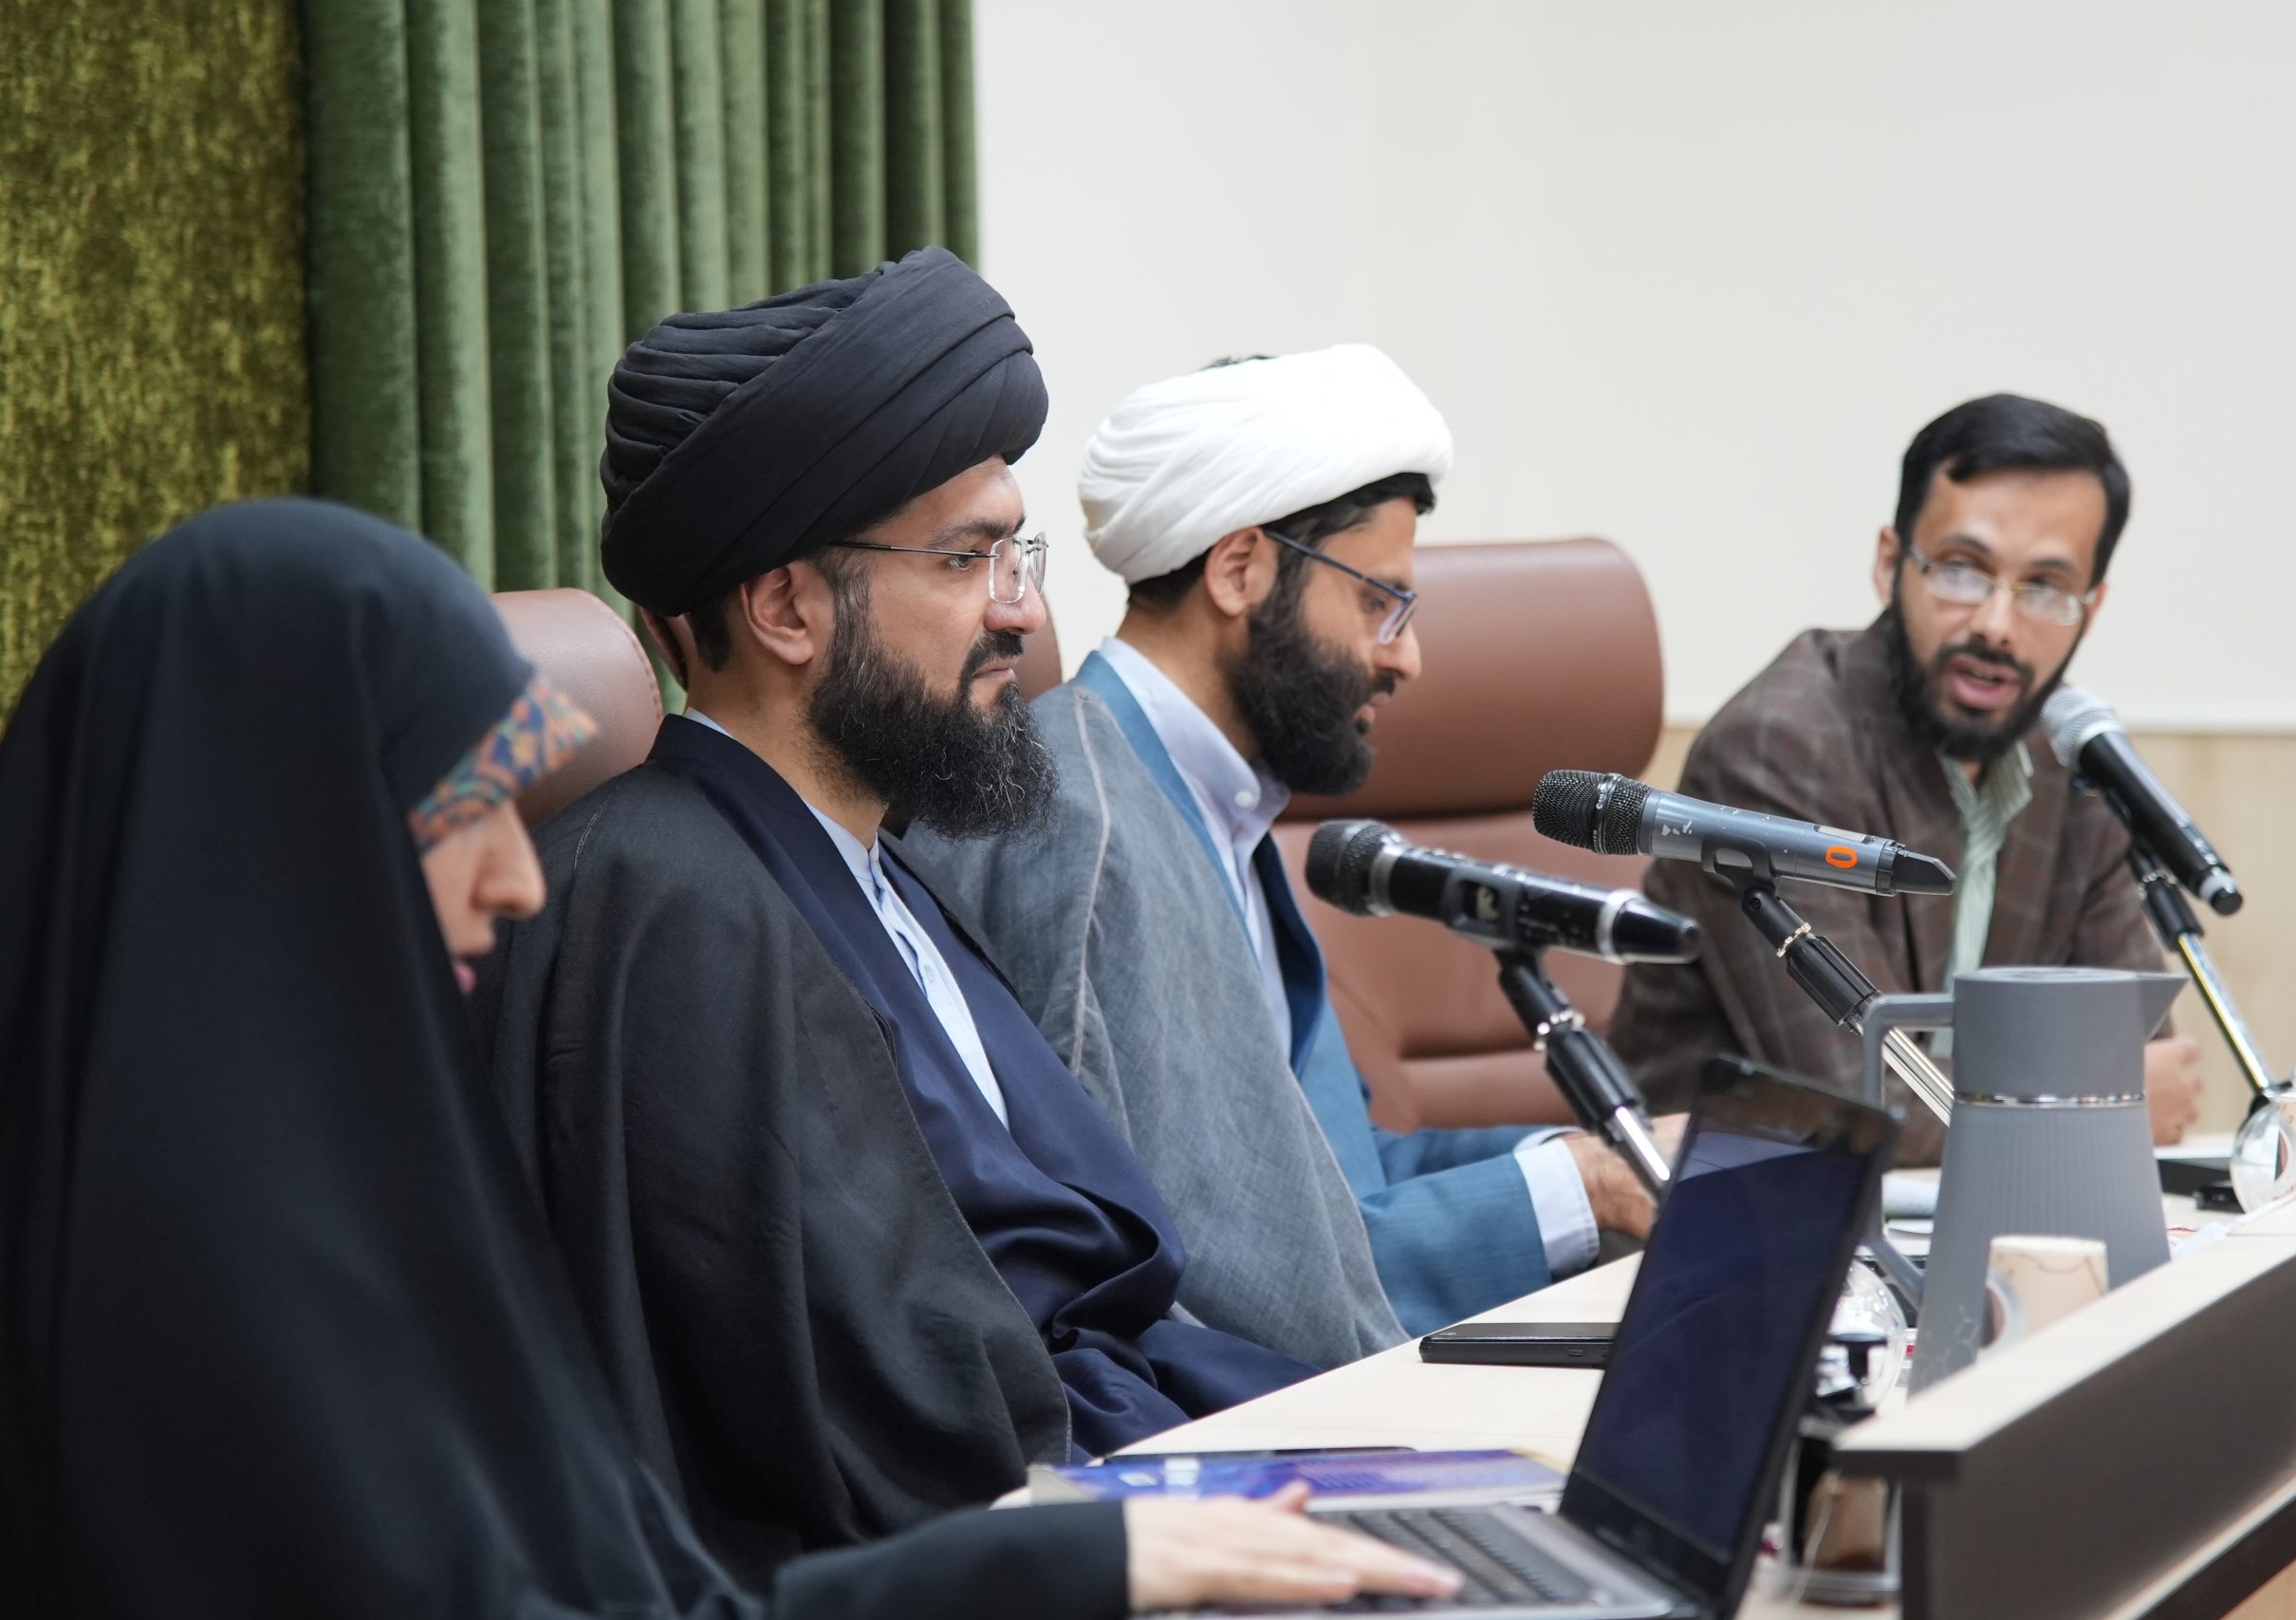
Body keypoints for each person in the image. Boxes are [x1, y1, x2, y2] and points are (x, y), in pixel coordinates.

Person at [0, 500, 1458, 1619]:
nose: (516, 878)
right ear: (280, 838)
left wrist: (1079, 1549)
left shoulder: (363, 1192)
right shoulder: (191, 1285)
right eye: (465, 807)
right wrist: (1048, 1558)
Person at [475, 251, 1312, 1581]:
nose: (1022, 608)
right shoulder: (664, 899)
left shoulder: (872, 865)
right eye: (971, 556)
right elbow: (859, 1415)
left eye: (1016, 551)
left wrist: (1323, 1453)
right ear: (786, 605)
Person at [912, 347, 1663, 1352]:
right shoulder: (1079, 821)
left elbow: (1330, 1186)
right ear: (1240, 569)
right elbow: (1197, 1286)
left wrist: (1599, 1159)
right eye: (1376, 602)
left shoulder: (1209, 803)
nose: (1407, 654)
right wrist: (1577, 1187)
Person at [1611, 394, 2203, 1157]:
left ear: (2090, 606)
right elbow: (1865, 1096)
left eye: (2045, 588)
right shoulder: (1778, 750)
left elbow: (2145, 1051)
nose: (1995, 623)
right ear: (1891, 562)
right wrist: (2087, 1106)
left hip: (1960, 1222)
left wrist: (2110, 1089)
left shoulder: (2073, 765)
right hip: (1730, 1230)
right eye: (1962, 570)